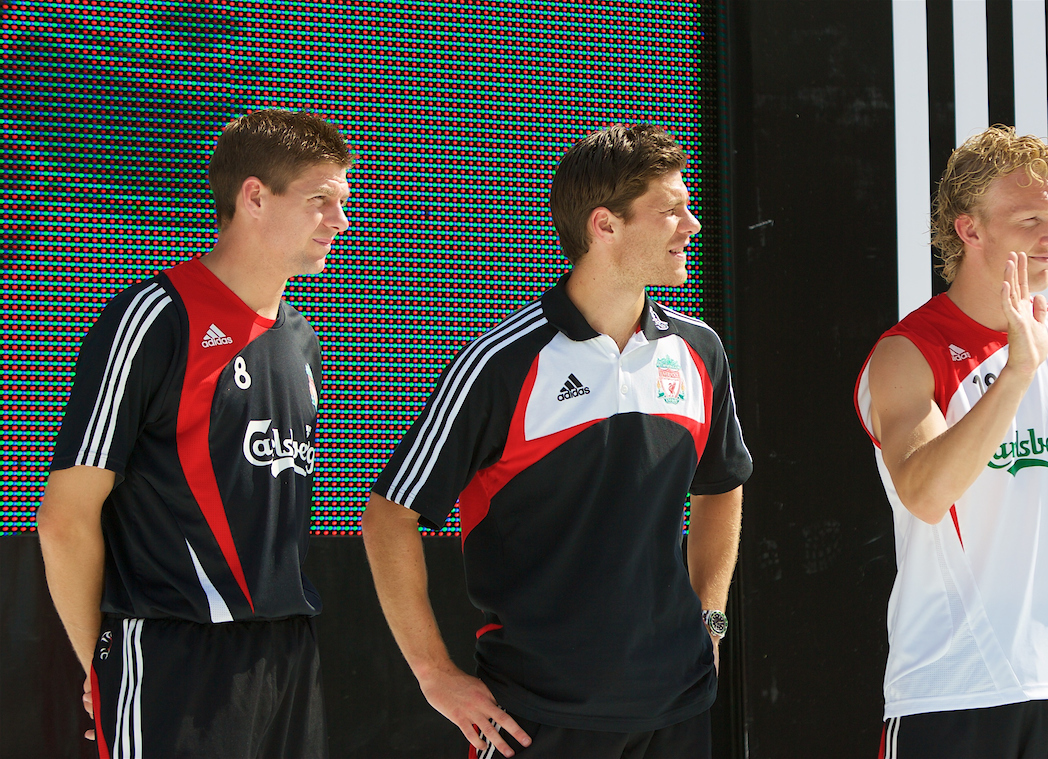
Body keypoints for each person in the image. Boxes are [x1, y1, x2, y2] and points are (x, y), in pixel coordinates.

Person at [362, 124, 752, 758]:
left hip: (677, 707)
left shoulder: (699, 351)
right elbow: (389, 519)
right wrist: (436, 678)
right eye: (670, 210)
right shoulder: (500, 362)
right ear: (605, 226)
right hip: (532, 717)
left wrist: (710, 619)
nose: (692, 225)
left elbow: (722, 486)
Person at [38, 109, 352, 758]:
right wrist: (97, 660)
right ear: (255, 196)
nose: (339, 223)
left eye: (342, 204)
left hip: (287, 658)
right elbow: (66, 518)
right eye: (320, 201)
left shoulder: (301, 339)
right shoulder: (153, 318)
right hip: (173, 653)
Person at [855, 126, 1048, 757]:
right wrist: (1017, 373)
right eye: (1030, 220)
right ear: (969, 229)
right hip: (950, 689)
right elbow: (923, 492)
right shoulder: (907, 352)